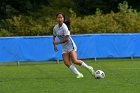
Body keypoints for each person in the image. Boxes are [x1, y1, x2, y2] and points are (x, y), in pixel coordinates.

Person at [53, 12, 94, 78]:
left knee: (75, 61)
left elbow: (66, 39)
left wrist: (57, 43)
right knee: (66, 62)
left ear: (63, 19)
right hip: (64, 47)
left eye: (61, 17)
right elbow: (54, 36)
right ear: (56, 19)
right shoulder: (55, 28)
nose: (60, 19)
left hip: (70, 45)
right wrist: (54, 45)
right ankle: (79, 74)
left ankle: (89, 68)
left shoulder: (64, 27)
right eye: (58, 17)